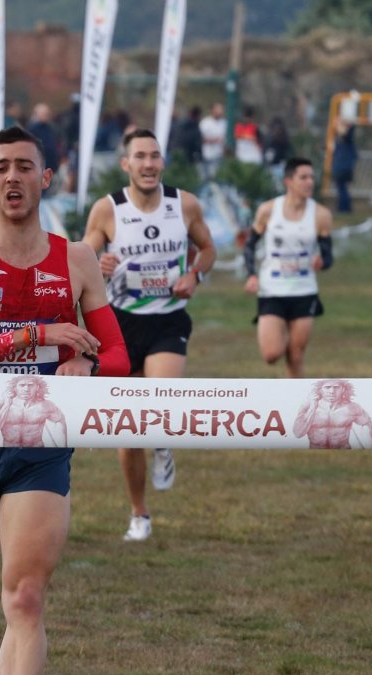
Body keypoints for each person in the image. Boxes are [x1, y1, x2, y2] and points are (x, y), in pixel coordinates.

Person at [0, 126, 129, 674]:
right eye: (2, 167)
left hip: (41, 441)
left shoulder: (77, 260)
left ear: (46, 178)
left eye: (24, 166)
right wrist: (34, 336)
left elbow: (118, 357)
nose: (12, 176)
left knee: (26, 598)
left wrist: (86, 362)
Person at [83, 128, 216, 542]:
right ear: (126, 164)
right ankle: (139, 513)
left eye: (155, 156)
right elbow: (83, 256)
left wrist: (195, 274)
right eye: (140, 156)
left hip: (167, 319)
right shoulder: (108, 210)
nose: (148, 164)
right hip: (121, 324)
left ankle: (162, 442)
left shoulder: (185, 204)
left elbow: (208, 249)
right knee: (128, 428)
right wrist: (98, 262)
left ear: (162, 162)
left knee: (160, 399)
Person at [242, 157, 334, 378]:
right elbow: (250, 244)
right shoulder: (268, 210)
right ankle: (277, 331)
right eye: (303, 177)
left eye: (312, 177)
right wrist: (251, 275)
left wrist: (322, 262)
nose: (309, 182)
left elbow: (328, 255)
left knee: (295, 356)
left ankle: (295, 407)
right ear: (289, 181)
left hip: (304, 291)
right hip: (272, 290)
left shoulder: (321, 215)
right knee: (272, 354)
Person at [0, 375, 68, 448]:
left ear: (37, 387)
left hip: (37, 451)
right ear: (15, 387)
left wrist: (63, 447)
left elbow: (60, 421)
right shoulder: (1, 404)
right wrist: (7, 405)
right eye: (22, 385)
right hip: (8, 451)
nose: (26, 389)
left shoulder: (45, 405)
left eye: (30, 385)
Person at [293, 379, 372, 449]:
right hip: (316, 454)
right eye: (327, 387)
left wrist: (370, 449)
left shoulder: (352, 408)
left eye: (336, 387)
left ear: (343, 389)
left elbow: (366, 424)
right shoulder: (307, 406)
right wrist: (312, 408)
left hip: (343, 453)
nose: (332, 391)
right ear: (320, 390)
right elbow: (298, 434)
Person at [330, 118, 357, 214]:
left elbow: (348, 132)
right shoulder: (341, 140)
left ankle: (344, 208)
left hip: (342, 168)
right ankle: (344, 207)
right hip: (343, 167)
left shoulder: (345, 139)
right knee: (342, 188)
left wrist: (348, 123)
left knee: (342, 189)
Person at [26, 103, 61, 175]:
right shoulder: (32, 129)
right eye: (44, 113)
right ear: (36, 114)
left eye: (47, 113)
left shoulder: (50, 128)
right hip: (38, 164)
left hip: (50, 164)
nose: (46, 115)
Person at [199, 102, 227, 179]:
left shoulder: (225, 123)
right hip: (206, 155)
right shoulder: (205, 122)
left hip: (219, 156)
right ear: (213, 110)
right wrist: (214, 140)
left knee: (215, 178)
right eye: (218, 109)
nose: (221, 111)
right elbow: (200, 138)